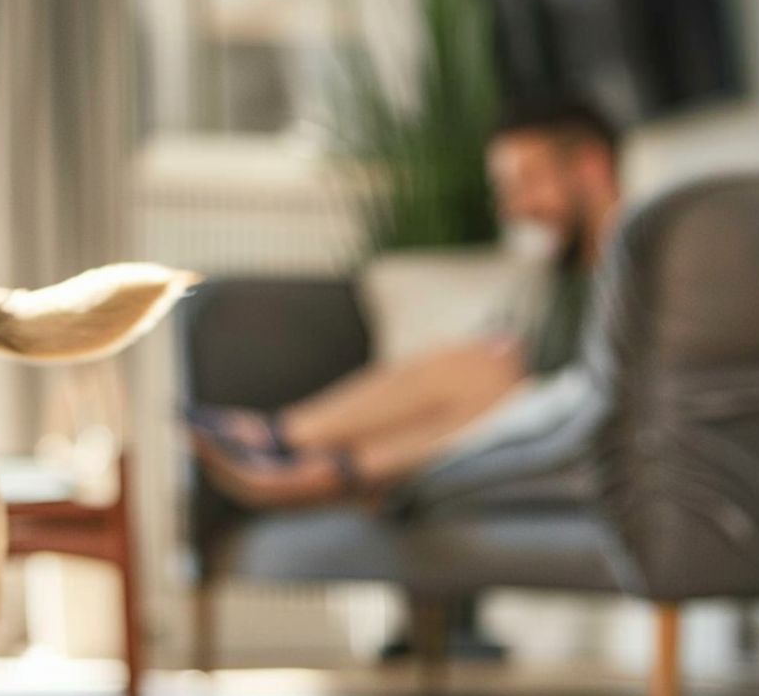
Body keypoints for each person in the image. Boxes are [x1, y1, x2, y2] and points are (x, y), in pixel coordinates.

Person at [190, 97, 622, 509]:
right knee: (490, 360)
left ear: (591, 165)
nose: (517, 209)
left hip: (577, 425)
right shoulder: (560, 271)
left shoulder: (648, 258)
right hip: (523, 419)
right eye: (506, 191)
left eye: (528, 182)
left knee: (496, 373)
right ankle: (305, 452)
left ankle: (299, 451)